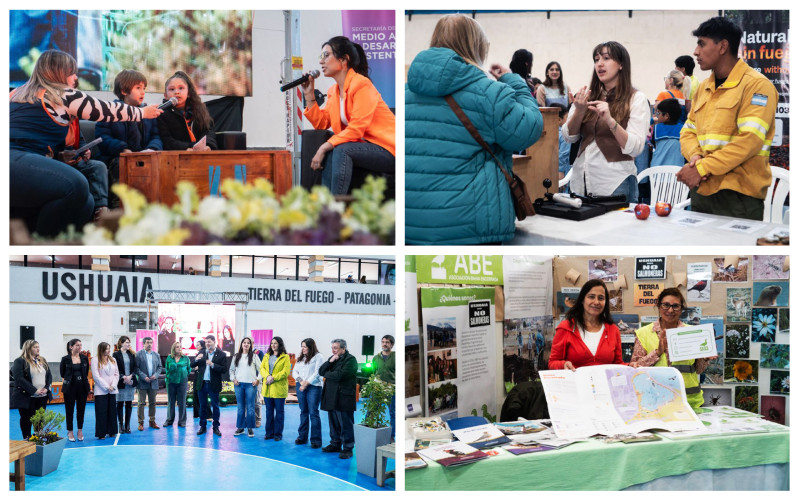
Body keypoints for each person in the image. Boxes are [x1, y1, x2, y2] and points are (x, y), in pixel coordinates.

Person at [405, 14, 543, 245]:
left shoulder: (407, 94)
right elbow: (529, 128)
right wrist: (515, 81)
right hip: (470, 227)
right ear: (476, 46)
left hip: (412, 227)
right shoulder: (487, 93)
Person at [9, 50, 163, 236]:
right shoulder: (62, 94)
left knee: (87, 201)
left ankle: (54, 241)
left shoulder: (15, 93)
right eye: (72, 72)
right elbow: (104, 109)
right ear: (59, 72)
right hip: (14, 158)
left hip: (21, 162)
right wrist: (142, 113)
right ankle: (40, 243)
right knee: (76, 185)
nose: (75, 77)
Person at [678, 16, 778, 220]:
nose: (695, 52)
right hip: (702, 191)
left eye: (702, 44)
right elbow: (688, 131)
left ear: (723, 46)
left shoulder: (757, 86)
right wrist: (695, 158)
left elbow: (749, 141)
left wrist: (702, 167)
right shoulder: (703, 88)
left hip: (738, 198)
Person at [301, 36, 395, 195]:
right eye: (321, 57)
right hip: (363, 148)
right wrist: (309, 94)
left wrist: (324, 147)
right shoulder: (334, 91)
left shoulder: (361, 84)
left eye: (326, 55)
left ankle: (335, 207)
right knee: (335, 149)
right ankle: (326, 207)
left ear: (344, 60)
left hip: (388, 149)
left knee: (340, 149)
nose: (321, 62)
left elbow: (356, 129)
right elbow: (322, 123)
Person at [563, 42, 650, 202]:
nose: (599, 64)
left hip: (615, 182)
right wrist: (579, 111)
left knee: (617, 227)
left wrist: (611, 121)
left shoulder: (636, 98)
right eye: (596, 60)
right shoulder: (586, 96)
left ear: (621, 64)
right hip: (581, 181)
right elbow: (569, 137)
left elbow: (635, 148)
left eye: (606, 58)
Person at [629, 288, 713, 408]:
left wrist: (705, 358)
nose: (670, 310)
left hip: (688, 402)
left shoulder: (691, 333)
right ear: (658, 306)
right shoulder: (643, 333)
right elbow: (634, 369)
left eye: (675, 306)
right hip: (654, 401)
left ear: (681, 309)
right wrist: (657, 353)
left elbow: (698, 370)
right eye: (666, 305)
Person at [95, 69, 163, 208]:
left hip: (143, 157)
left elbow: (156, 136)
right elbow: (103, 137)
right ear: (124, 91)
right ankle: (117, 206)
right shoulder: (110, 111)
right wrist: (123, 149)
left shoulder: (148, 113)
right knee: (120, 164)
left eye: (144, 88)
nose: (143, 92)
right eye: (138, 88)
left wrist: (152, 149)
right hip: (116, 158)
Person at [549, 279, 623, 370]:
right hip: (575, 383)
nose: (596, 302)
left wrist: (630, 367)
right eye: (591, 297)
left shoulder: (613, 330)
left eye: (601, 298)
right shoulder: (566, 327)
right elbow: (552, 362)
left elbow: (618, 364)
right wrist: (563, 365)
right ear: (582, 300)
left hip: (604, 384)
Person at [157, 70, 217, 151]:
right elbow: (167, 141)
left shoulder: (199, 109)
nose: (176, 92)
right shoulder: (162, 113)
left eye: (181, 88)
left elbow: (208, 131)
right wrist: (187, 147)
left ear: (188, 93)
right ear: (166, 96)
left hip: (202, 154)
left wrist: (208, 145)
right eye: (172, 89)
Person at [319, 338, 359, 459]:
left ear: (343, 348)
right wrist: (330, 362)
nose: (333, 350)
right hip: (331, 396)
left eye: (335, 348)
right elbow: (321, 371)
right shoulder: (333, 359)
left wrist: (327, 375)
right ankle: (335, 444)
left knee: (345, 423)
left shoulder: (351, 360)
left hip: (343, 397)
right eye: (332, 348)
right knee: (333, 423)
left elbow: (340, 375)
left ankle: (348, 448)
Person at [12, 340, 52, 440]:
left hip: (42, 396)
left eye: (38, 346)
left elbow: (49, 376)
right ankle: (26, 439)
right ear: (28, 348)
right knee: (27, 419)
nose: (38, 349)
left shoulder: (42, 360)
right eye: (35, 347)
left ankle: (39, 438)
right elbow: (19, 378)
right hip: (27, 396)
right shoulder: (20, 361)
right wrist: (34, 390)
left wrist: (46, 389)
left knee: (39, 420)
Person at [292, 338, 325, 448]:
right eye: (302, 346)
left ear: (311, 347)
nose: (303, 349)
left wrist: (307, 383)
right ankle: (302, 437)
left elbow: (318, 372)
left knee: (313, 413)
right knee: (303, 411)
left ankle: (316, 440)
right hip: (301, 386)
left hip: (314, 387)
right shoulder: (301, 358)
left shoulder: (318, 357)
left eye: (305, 346)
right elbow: (294, 372)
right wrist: (301, 381)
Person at [192, 335, 227, 436]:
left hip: (213, 384)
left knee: (215, 406)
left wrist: (213, 365)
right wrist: (196, 360)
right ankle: (202, 427)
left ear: (214, 342)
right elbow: (191, 365)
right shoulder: (202, 353)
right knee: (202, 406)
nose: (207, 344)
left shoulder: (221, 354)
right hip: (202, 384)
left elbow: (224, 369)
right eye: (206, 342)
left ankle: (216, 427)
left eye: (209, 342)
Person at [260, 336, 291, 441]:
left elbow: (285, 372)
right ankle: (269, 433)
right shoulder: (266, 356)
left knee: (279, 413)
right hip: (267, 390)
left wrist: (273, 377)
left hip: (278, 389)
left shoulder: (285, 357)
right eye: (272, 343)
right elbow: (262, 368)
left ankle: (278, 434)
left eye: (275, 343)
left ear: (280, 344)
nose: (273, 345)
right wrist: (267, 376)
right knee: (269, 413)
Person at [230, 337, 261, 438]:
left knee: (251, 407)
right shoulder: (236, 356)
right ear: (241, 344)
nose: (246, 344)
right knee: (240, 407)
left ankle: (250, 428)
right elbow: (231, 370)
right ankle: (240, 427)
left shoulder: (254, 356)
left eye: (248, 343)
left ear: (250, 345)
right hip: (239, 385)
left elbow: (261, 369)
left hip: (250, 385)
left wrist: (257, 380)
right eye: (244, 342)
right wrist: (233, 379)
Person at [60, 339, 89, 441]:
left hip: (82, 387)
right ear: (71, 347)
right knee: (70, 410)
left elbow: (86, 373)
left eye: (80, 345)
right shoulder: (65, 359)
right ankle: (70, 431)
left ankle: (80, 430)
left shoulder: (85, 358)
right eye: (77, 345)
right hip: (70, 388)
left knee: (81, 410)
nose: (79, 347)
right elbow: (62, 373)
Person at [91, 342, 120, 439]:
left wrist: (113, 385)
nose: (108, 350)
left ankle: (112, 431)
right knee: (101, 412)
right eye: (106, 349)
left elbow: (116, 374)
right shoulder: (95, 360)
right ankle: (101, 433)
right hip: (101, 390)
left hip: (112, 390)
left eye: (109, 348)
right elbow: (96, 376)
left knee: (112, 411)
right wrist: (107, 386)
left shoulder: (113, 360)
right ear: (101, 349)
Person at [135, 336, 162, 431]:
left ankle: (152, 421)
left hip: (153, 382)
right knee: (141, 403)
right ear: (143, 344)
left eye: (151, 342)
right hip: (142, 382)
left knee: (153, 403)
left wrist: (155, 375)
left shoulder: (156, 355)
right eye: (147, 342)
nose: (149, 344)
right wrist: (144, 377)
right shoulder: (138, 354)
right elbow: (136, 368)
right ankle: (141, 422)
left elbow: (160, 367)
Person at [112, 336, 137, 434]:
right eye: (127, 342)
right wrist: (123, 377)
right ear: (121, 343)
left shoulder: (132, 354)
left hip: (130, 382)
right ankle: (120, 425)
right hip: (121, 382)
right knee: (120, 404)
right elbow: (115, 368)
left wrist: (130, 376)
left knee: (129, 404)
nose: (128, 344)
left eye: (129, 342)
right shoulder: (115, 354)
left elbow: (135, 367)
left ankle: (128, 425)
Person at [373, 335, 396, 440]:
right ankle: (373, 432)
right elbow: (373, 373)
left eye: (387, 342)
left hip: (392, 389)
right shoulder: (376, 358)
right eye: (383, 342)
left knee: (393, 413)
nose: (384, 344)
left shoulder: (396, 357)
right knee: (372, 410)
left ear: (391, 344)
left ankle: (391, 435)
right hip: (378, 389)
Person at [651, 99, 686, 167]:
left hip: (657, 169)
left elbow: (654, 144)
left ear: (666, 116)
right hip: (677, 170)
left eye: (659, 113)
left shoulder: (657, 128)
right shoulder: (683, 129)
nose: (657, 116)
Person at [164, 341, 191, 428]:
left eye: (180, 347)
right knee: (171, 402)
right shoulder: (169, 358)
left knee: (182, 402)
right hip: (171, 382)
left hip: (182, 382)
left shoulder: (185, 358)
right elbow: (167, 369)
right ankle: (169, 420)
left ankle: (182, 421)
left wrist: (184, 375)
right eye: (177, 347)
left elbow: (189, 369)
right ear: (173, 349)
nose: (179, 348)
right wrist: (168, 377)